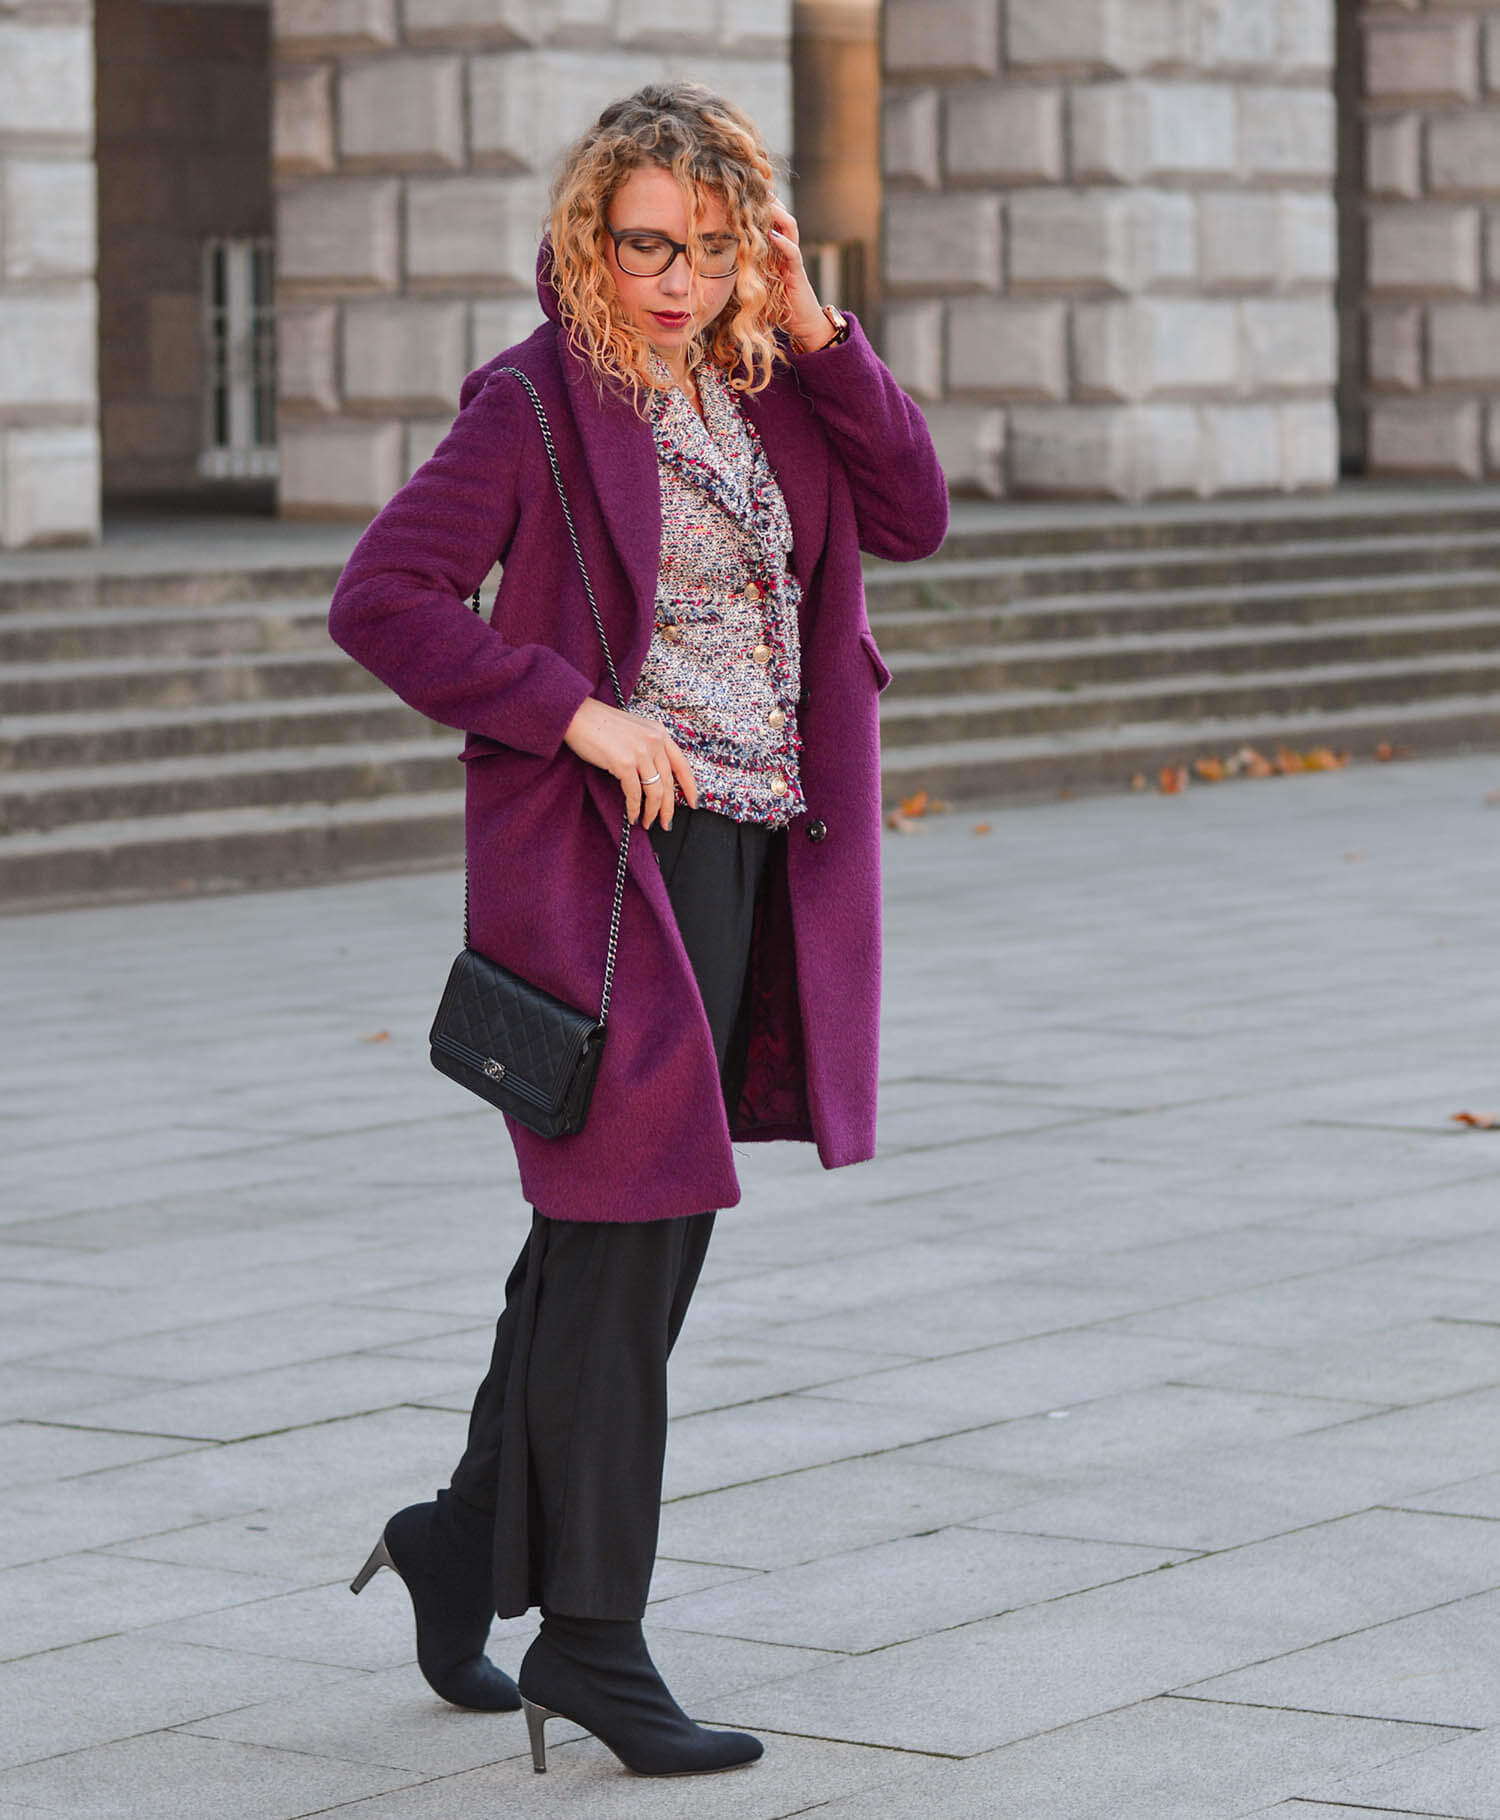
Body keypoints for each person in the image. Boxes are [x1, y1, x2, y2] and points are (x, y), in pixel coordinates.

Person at [330, 81, 948, 1779]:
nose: (673, 279)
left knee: (615, 1245)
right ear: (592, 240)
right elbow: (380, 596)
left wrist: (818, 324)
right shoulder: (534, 401)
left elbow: (913, 513)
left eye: (707, 244)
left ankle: (462, 1544)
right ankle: (592, 1638)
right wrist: (574, 715)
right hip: (613, 871)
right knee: (630, 1244)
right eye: (643, 244)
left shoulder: (771, 387)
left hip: (756, 858)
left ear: (753, 244)